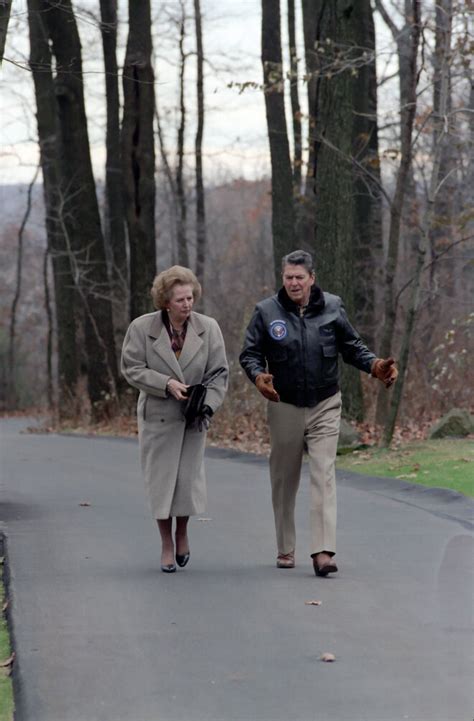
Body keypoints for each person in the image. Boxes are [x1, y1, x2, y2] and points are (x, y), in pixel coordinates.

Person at [239, 250, 398, 577]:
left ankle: (323, 552)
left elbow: (352, 347)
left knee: (323, 473)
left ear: (312, 278)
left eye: (300, 277)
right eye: (288, 277)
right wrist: (258, 376)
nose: (294, 282)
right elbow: (250, 353)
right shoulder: (266, 312)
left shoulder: (333, 307)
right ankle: (285, 547)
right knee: (284, 479)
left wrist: (375, 366)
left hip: (325, 402)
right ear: (282, 278)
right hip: (284, 403)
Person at [121, 266, 228, 573]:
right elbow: (131, 368)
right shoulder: (143, 328)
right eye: (180, 299)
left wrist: (207, 405)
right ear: (165, 302)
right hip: (158, 416)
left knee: (186, 480)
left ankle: (182, 533)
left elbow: (219, 372)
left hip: (193, 417)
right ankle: (166, 543)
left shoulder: (208, 328)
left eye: (190, 297)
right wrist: (165, 383)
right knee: (161, 482)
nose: (187, 304)